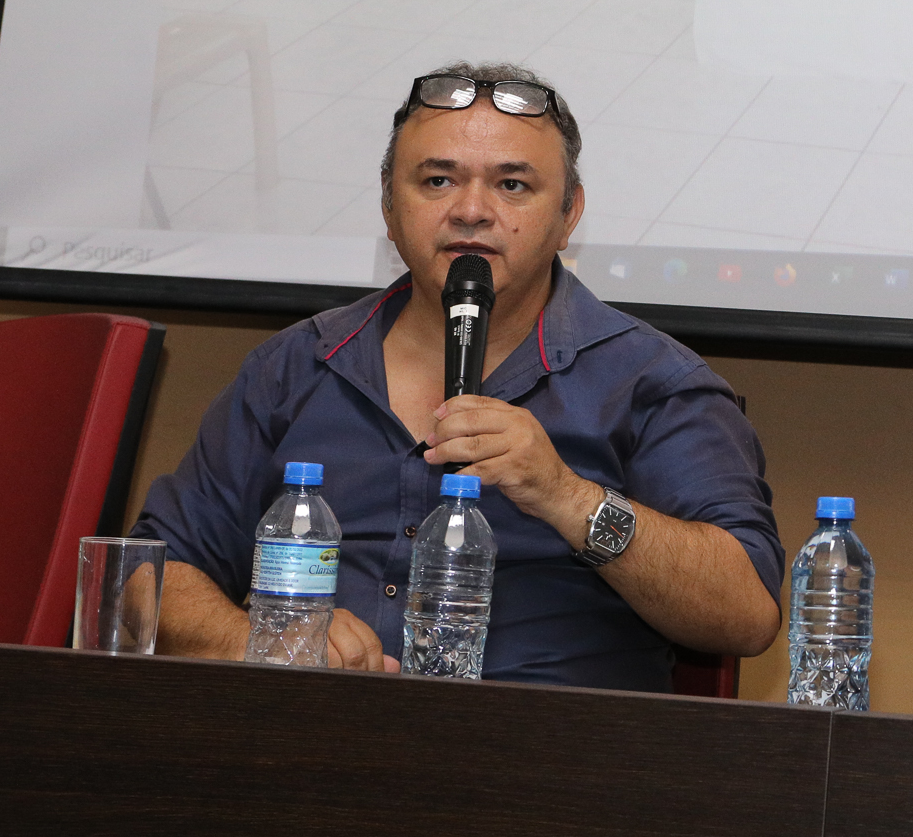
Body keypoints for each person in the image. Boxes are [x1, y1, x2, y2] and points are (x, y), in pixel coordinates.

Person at [138, 63, 783, 689]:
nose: (471, 211)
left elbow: (748, 612)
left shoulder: (650, 382)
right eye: (439, 181)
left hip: (545, 766)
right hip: (312, 752)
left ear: (568, 216)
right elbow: (148, 576)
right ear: (390, 208)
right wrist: (264, 643)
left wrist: (569, 497)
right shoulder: (295, 367)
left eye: (512, 186)